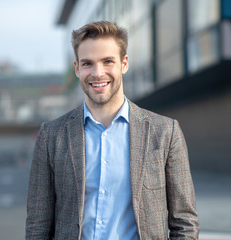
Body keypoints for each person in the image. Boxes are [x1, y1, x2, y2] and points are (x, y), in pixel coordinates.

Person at [26, 21, 199, 240]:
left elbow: (184, 222)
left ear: (124, 63)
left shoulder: (165, 132)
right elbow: (37, 226)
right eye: (88, 63)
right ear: (77, 68)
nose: (98, 73)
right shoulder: (51, 136)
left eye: (108, 61)